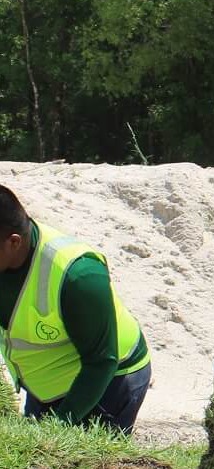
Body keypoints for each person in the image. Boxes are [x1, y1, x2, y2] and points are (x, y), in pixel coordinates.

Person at [0, 184, 151, 433]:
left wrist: (58, 428)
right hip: (48, 381)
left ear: (13, 242)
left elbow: (102, 361)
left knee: (87, 468)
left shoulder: (78, 276)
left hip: (109, 380)